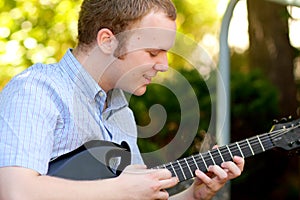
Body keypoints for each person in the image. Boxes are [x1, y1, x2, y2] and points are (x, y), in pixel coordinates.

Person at [0, 0, 244, 199]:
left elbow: (136, 196)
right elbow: (14, 191)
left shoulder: (121, 113)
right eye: (153, 52)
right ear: (107, 41)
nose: (164, 65)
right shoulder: (36, 90)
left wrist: (194, 195)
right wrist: (120, 189)